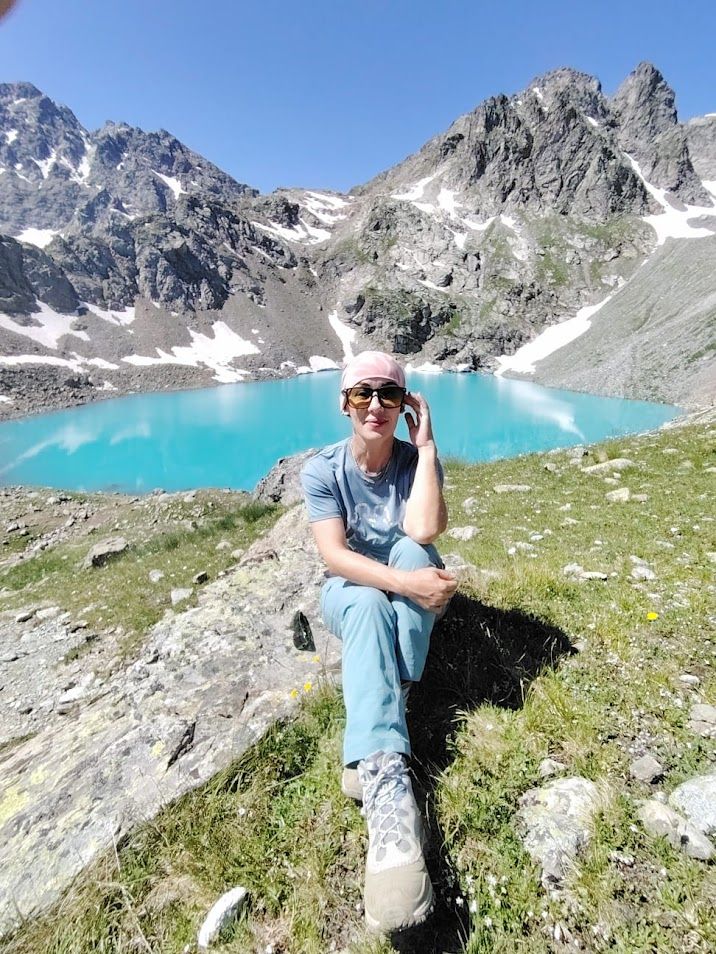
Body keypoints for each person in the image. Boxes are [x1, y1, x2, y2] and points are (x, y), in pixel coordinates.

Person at [300, 350, 457, 934]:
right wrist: (407, 585)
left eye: (389, 395)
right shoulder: (322, 470)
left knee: (417, 553)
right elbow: (335, 556)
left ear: (404, 404)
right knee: (370, 600)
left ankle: (375, 737)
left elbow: (424, 530)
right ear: (344, 402)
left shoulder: (415, 462)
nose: (375, 406)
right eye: (362, 393)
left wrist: (428, 447)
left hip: (403, 575)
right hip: (349, 591)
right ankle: (388, 785)